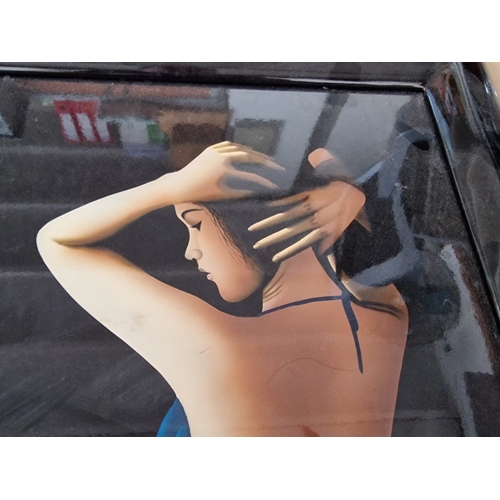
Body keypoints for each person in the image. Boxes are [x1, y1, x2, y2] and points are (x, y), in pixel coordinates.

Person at [37, 142, 408, 436]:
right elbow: (321, 157)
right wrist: (346, 195)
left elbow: (57, 243)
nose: (191, 250)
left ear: (251, 218)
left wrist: (171, 185)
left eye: (196, 224)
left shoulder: (217, 348)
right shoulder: (387, 317)